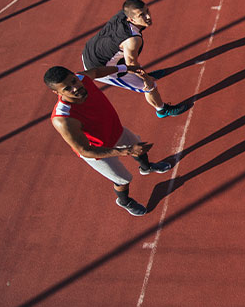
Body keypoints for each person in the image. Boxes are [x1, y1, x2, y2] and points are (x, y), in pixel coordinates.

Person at [45, 64, 174, 216]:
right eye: (67, 89)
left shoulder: (83, 78)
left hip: (115, 131)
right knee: (123, 179)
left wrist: (125, 68)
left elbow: (97, 71)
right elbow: (84, 150)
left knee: (139, 147)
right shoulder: (63, 118)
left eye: (73, 81)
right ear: (56, 92)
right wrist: (126, 151)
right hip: (97, 152)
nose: (75, 88)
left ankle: (146, 168)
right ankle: (124, 201)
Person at [82, 0, 190, 118]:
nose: (148, 17)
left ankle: (147, 78)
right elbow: (131, 65)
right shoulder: (132, 40)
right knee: (149, 86)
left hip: (92, 50)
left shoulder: (125, 14)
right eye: (142, 15)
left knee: (135, 67)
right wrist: (146, 79)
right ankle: (162, 110)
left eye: (147, 11)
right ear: (131, 19)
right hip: (99, 67)